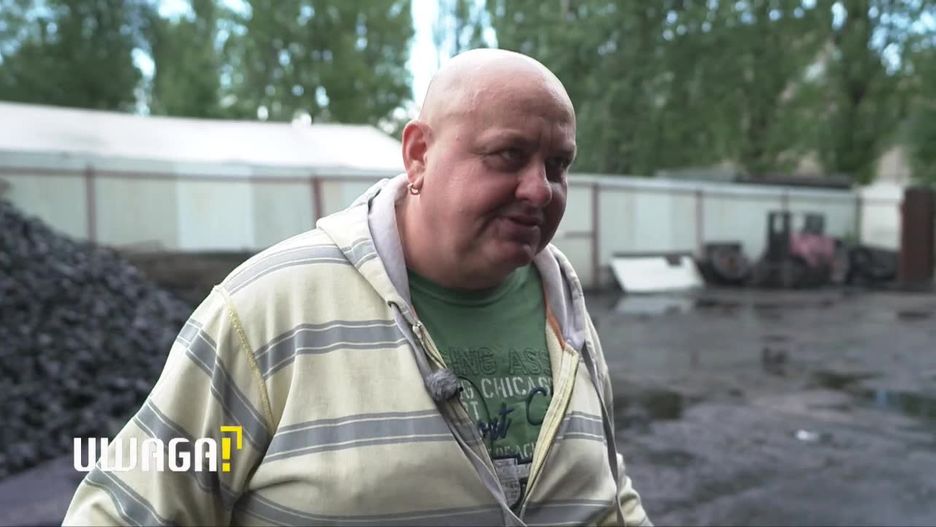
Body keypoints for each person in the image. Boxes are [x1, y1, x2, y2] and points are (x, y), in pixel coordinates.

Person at [63, 48, 650, 527]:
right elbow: (126, 509)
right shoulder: (267, 310)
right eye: (508, 155)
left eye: (558, 165)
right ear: (419, 155)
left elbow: (604, 490)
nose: (539, 189)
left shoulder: (563, 304)